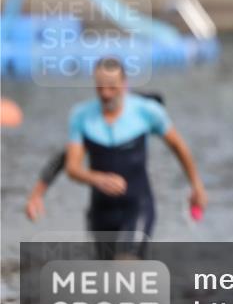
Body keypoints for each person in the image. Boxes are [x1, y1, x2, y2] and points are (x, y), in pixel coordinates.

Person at [63, 58, 206, 259]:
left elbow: (178, 147)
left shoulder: (147, 112)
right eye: (100, 87)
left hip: (137, 206)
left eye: (112, 87)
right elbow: (72, 168)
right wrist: (96, 178)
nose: (105, 93)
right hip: (100, 212)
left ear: (123, 83)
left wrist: (196, 186)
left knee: (125, 264)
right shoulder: (81, 116)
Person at [25, 91, 165, 222]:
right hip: (102, 210)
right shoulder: (97, 125)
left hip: (135, 207)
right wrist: (37, 195)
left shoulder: (138, 112)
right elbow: (63, 158)